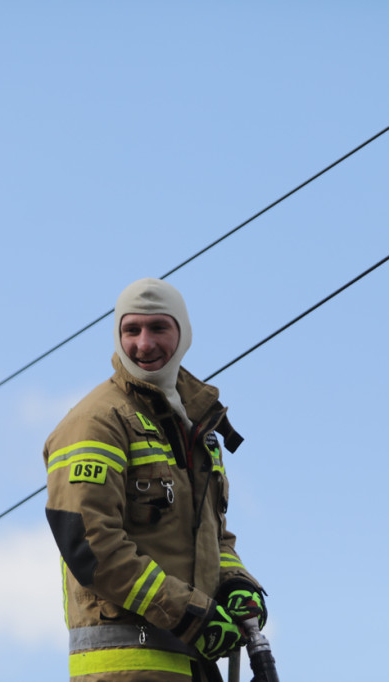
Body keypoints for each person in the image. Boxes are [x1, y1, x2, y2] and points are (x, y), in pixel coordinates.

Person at [43, 277, 268, 682]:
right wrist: (188, 615)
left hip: (193, 667)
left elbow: (210, 538)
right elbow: (91, 546)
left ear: (183, 335)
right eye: (131, 330)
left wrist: (235, 582)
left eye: (158, 328)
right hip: (126, 671)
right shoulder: (96, 422)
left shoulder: (194, 423)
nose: (144, 344)